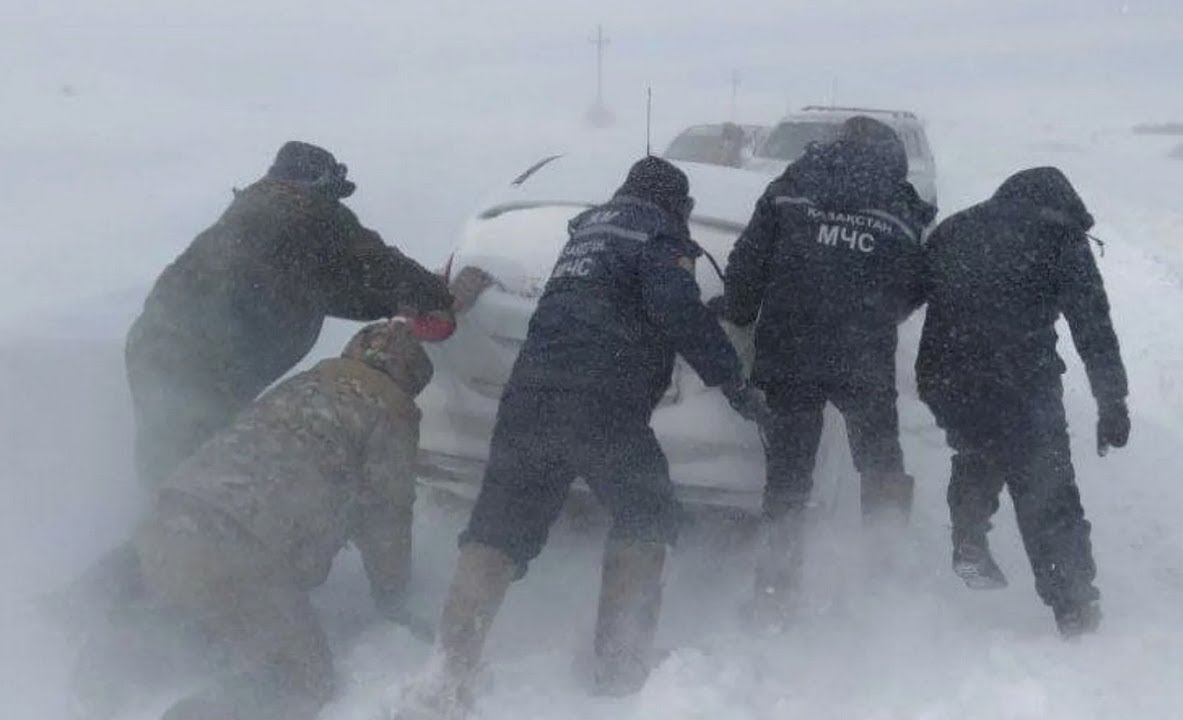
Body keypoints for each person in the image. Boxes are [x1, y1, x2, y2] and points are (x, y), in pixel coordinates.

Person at [399, 157, 769, 718]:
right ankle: (619, 666)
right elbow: (679, 313)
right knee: (648, 514)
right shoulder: (656, 236)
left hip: (529, 396)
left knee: (497, 528)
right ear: (678, 205)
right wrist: (735, 384)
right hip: (604, 403)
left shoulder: (584, 238)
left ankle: (448, 671)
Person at [112, 320, 435, 720]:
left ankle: (107, 672)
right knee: (303, 677)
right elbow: (387, 516)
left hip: (167, 521)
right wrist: (393, 596)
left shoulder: (303, 383)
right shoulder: (389, 412)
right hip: (237, 550)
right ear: (411, 379)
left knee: (205, 619)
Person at [126, 141, 453, 491]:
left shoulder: (261, 219)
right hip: (201, 362)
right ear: (319, 186)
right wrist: (435, 294)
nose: (337, 204)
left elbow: (326, 291)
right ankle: (180, 538)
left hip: (151, 344)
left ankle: (149, 530)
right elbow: (380, 265)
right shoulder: (310, 212)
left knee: (168, 464)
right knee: (204, 477)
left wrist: (398, 305)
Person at [711, 117, 937, 622]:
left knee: (789, 477)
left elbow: (748, 263)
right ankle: (886, 574)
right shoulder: (901, 206)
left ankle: (775, 591)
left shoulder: (791, 187)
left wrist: (739, 310)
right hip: (863, 357)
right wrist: (875, 312)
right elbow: (912, 286)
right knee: (880, 463)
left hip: (790, 351)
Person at [915, 167, 1130, 637]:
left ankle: (969, 534)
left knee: (979, 448)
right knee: (1048, 493)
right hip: (1021, 381)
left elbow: (903, 294)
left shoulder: (957, 227)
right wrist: (1112, 400)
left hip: (946, 376)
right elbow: (1092, 325)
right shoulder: (1061, 240)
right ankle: (1074, 609)